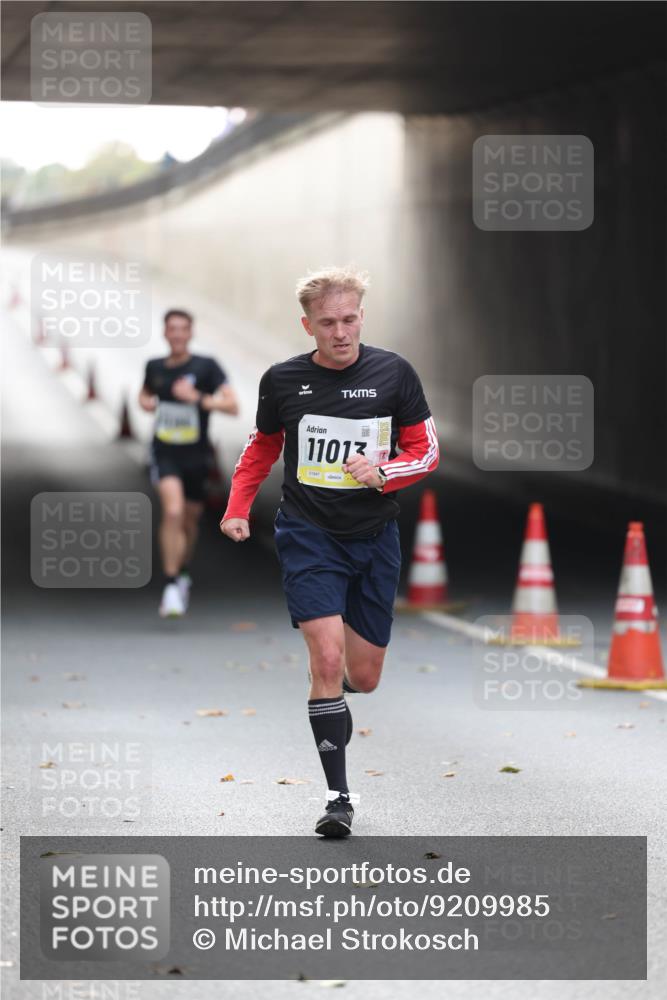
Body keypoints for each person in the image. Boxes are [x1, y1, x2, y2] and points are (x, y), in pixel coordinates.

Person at [220, 268, 439, 836]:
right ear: (307, 325)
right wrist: (238, 506)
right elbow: (261, 447)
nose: (340, 332)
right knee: (326, 659)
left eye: (349, 320)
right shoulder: (284, 380)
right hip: (308, 533)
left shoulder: (394, 373)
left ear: (361, 317)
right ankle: (338, 798)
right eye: (327, 323)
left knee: (362, 677)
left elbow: (426, 450)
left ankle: (334, 688)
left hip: (373, 536)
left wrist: (384, 471)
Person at [140, 308, 239, 617]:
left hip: (197, 456)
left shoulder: (207, 367)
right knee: (172, 511)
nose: (178, 334)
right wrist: (146, 401)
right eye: (172, 329)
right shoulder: (154, 366)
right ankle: (170, 585)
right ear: (165, 333)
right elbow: (144, 394)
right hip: (165, 451)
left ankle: (181, 571)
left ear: (191, 333)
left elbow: (233, 405)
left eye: (183, 328)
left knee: (190, 521)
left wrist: (197, 398)